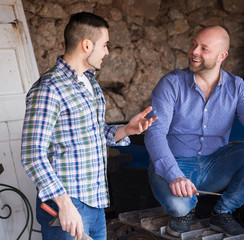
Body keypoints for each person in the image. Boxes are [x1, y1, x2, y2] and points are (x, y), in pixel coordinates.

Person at [144, 25, 244, 237]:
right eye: (193, 45)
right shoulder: (171, 84)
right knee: (180, 208)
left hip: (215, 164)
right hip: (174, 164)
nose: (194, 52)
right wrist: (174, 176)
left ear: (222, 56)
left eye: (204, 49)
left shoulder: (237, 86)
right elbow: (155, 133)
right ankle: (184, 211)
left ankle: (223, 211)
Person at [21, 12, 157, 240]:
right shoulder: (49, 89)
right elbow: (33, 154)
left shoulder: (89, 82)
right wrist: (64, 204)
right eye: (104, 45)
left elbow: (90, 132)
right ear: (86, 45)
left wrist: (126, 130)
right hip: (67, 203)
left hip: (95, 201)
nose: (107, 51)